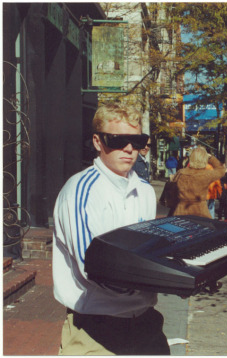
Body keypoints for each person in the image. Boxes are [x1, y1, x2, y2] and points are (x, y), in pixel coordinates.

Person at [52, 103, 170, 355]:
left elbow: (150, 253)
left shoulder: (146, 191)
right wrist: (162, 282)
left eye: (136, 141)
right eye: (117, 140)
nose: (128, 149)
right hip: (96, 327)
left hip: (146, 324)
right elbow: (92, 265)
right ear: (97, 141)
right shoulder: (80, 191)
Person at [170, 146, 226, 218]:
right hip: (200, 211)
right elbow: (221, 169)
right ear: (204, 159)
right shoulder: (206, 174)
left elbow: (173, 191)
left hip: (181, 210)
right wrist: (211, 158)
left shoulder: (181, 173)